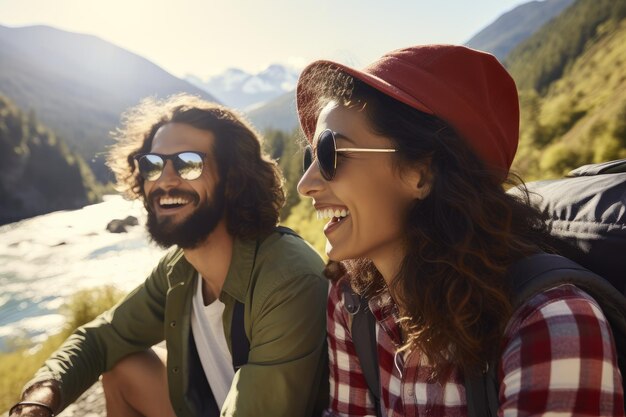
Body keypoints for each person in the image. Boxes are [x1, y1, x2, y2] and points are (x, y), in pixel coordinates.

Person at [296, 45, 624, 416]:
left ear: (422, 173)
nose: (305, 184)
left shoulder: (550, 325)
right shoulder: (350, 301)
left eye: (330, 154)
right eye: (310, 157)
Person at [9, 95, 328, 417]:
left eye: (189, 164)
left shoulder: (287, 279)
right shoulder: (180, 269)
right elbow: (102, 338)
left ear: (232, 178)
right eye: (152, 165)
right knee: (123, 367)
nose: (166, 179)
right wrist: (40, 398)